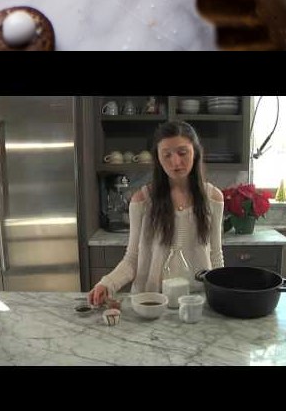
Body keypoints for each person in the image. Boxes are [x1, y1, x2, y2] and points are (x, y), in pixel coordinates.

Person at [88, 120, 224, 305]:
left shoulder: (213, 198)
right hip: (151, 302)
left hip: (196, 303)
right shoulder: (142, 200)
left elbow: (215, 255)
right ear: (157, 158)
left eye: (182, 153)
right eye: (166, 155)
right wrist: (107, 284)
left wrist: (222, 295)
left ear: (196, 152)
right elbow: (132, 259)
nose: (175, 162)